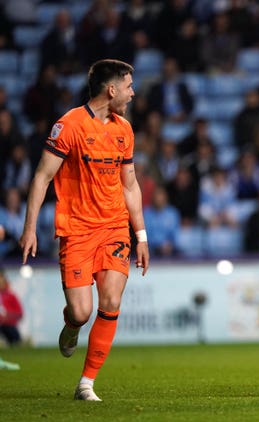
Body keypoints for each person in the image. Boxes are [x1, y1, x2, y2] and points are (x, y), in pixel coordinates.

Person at [19, 59, 150, 400]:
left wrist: (141, 235)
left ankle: (86, 383)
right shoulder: (70, 125)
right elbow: (41, 177)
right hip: (76, 229)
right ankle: (72, 324)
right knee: (81, 311)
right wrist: (30, 228)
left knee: (111, 300)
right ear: (112, 89)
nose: (133, 93)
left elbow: (131, 185)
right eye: (129, 86)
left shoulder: (125, 130)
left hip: (114, 228)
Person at [0, 267, 23, 346]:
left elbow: (19, 313)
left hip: (8, 325)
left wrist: (7, 316)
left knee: (14, 337)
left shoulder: (11, 296)